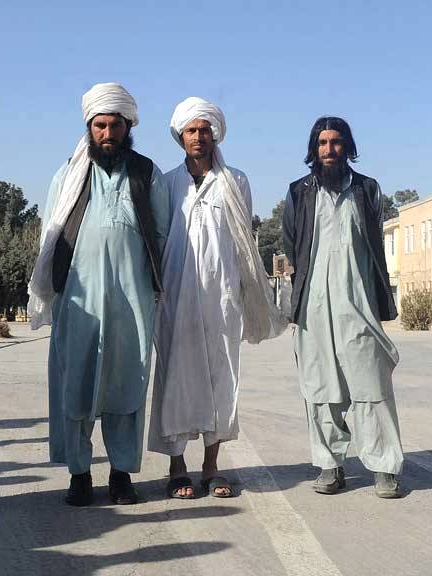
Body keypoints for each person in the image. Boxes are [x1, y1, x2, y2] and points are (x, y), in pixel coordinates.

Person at [27, 83, 170, 506]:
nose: (108, 133)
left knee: (126, 385)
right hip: (80, 300)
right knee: (76, 384)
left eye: (116, 125)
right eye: (100, 125)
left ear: (129, 127)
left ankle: (122, 474)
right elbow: (49, 236)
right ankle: (79, 474)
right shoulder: (68, 175)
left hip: (132, 300)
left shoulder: (147, 173)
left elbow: (160, 233)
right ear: (90, 128)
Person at [149, 97, 283, 499]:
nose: (199, 137)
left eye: (205, 130)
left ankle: (211, 468)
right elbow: (157, 239)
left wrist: (248, 295)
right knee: (175, 377)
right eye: (191, 131)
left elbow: (243, 242)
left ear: (215, 134)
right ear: (180, 136)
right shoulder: (167, 182)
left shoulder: (236, 180)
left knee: (221, 379)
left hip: (222, 298)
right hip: (176, 296)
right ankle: (177, 467)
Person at [282, 117, 404, 498]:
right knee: (320, 388)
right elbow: (291, 243)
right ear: (313, 149)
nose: (329, 150)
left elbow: (375, 247)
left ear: (347, 146)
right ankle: (329, 465)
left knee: (371, 383)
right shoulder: (299, 191)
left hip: (359, 302)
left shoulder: (367, 190)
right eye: (322, 143)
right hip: (313, 305)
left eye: (336, 142)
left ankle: (384, 468)